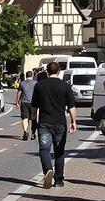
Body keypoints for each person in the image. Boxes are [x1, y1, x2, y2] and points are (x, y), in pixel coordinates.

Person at [29, 60, 77, 190]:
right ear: (59, 71)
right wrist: (73, 121)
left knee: (44, 149)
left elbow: (34, 107)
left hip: (44, 122)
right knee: (59, 151)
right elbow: (71, 107)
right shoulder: (65, 86)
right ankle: (59, 179)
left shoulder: (39, 85)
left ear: (47, 72)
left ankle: (48, 170)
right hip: (60, 122)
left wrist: (33, 121)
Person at [17, 71, 38, 141]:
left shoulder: (22, 83)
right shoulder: (35, 83)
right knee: (33, 119)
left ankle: (25, 131)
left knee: (25, 118)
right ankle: (33, 134)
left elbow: (19, 93)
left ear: (26, 76)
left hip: (24, 103)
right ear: (32, 76)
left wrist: (17, 102)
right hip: (34, 103)